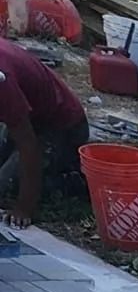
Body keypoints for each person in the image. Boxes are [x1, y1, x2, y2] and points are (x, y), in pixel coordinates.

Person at [0, 37, 88, 226]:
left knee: (5, 189)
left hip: (62, 127)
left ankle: (69, 180)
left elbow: (28, 144)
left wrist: (24, 208)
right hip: (27, 116)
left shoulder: (2, 81)